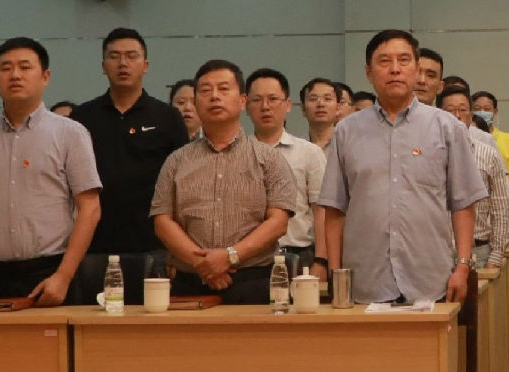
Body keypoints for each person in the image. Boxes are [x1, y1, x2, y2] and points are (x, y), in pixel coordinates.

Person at [318, 30, 485, 304]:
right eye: (384, 61)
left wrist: (463, 266)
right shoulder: (347, 130)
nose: (395, 69)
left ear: (417, 70)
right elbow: (335, 209)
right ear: (369, 72)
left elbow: (463, 204)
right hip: (365, 282)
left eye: (404, 60)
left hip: (431, 281)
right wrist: (337, 276)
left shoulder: (447, 127)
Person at [0, 37, 103, 306]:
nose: (15, 75)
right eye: (6, 68)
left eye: (25, 67)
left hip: (51, 272)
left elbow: (90, 208)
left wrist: (63, 276)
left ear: (45, 77)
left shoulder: (70, 133)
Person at [151, 61, 302, 303]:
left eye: (223, 89)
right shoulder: (176, 161)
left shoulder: (269, 159)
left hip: (254, 282)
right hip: (189, 282)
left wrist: (230, 256)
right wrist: (203, 264)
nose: (214, 96)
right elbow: (162, 221)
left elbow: (278, 222)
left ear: (242, 101)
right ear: (196, 102)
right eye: (205, 90)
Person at [71, 29, 186, 275]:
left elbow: (184, 185)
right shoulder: (81, 118)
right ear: (103, 66)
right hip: (93, 244)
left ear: (145, 65)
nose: (123, 63)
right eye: (114, 56)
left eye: (131, 56)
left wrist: (178, 247)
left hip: (154, 245)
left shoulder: (168, 117)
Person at [246, 67, 325, 274]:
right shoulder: (238, 154)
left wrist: (321, 261)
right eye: (257, 100)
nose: (265, 107)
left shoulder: (309, 152)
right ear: (246, 105)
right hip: (249, 259)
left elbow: (321, 212)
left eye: (273, 99)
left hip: (300, 255)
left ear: (288, 105)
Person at [441, 88, 509, 269]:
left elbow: (500, 207)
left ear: (471, 115)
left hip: (479, 252)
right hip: (437, 252)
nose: (457, 116)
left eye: (462, 110)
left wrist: (495, 257)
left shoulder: (488, 153)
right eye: (450, 111)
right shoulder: (428, 154)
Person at [471, 90, 509, 213]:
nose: (482, 112)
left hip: (502, 209)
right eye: (477, 108)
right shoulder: (465, 136)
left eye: (487, 109)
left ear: (495, 112)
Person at [301, 77, 344, 148]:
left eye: (327, 99)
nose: (321, 104)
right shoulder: (296, 147)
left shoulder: (347, 145)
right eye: (313, 99)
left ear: (338, 108)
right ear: (303, 109)